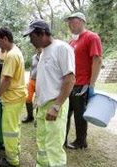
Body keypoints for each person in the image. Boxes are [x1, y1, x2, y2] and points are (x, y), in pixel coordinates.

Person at [23, 20, 75, 167]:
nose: (30, 40)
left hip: (55, 105)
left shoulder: (62, 48)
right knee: (42, 142)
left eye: (32, 36)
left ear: (43, 33)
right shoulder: (44, 51)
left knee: (53, 146)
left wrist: (57, 106)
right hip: (43, 105)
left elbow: (70, 79)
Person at [0, 28, 27, 167]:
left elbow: (6, 81)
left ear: (5, 39)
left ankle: (11, 160)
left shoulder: (11, 55)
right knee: (15, 126)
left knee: (9, 130)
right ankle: (15, 150)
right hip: (19, 95)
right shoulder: (17, 51)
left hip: (12, 98)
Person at [64, 12, 102, 149]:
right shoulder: (73, 41)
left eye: (72, 22)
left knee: (80, 116)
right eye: (68, 23)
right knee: (65, 114)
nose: (69, 25)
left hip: (82, 84)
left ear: (81, 21)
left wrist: (91, 85)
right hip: (71, 83)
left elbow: (97, 60)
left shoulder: (92, 37)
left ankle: (81, 142)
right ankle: (62, 139)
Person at [22, 48, 41, 123]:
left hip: (40, 81)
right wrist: (29, 79)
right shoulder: (33, 57)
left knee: (39, 101)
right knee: (28, 98)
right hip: (32, 80)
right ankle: (30, 117)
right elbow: (32, 68)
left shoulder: (45, 56)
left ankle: (38, 119)